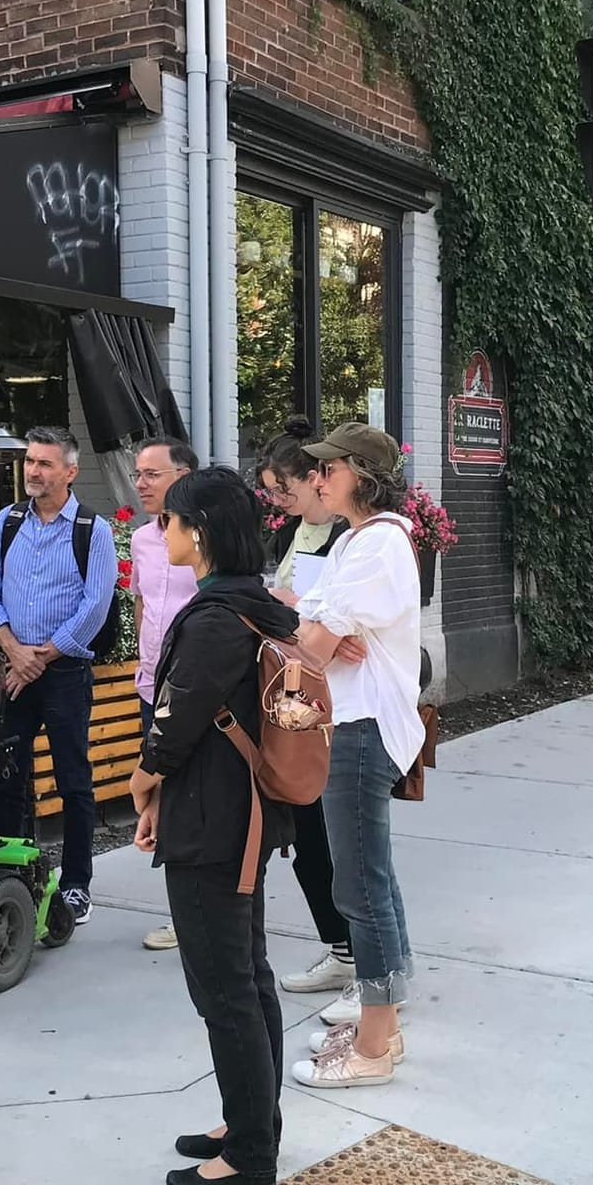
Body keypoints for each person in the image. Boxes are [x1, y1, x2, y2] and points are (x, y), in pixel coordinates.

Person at [127, 467, 298, 1185]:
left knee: (225, 988)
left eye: (168, 519)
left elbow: (176, 721)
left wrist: (144, 781)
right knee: (246, 976)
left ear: (197, 531)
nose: (160, 531)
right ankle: (249, 1119)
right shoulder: (253, 605)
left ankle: (251, 1155)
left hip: (210, 822)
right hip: (242, 815)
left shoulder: (212, 618)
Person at [288, 422, 423, 1089]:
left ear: (361, 475)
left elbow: (307, 644)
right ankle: (382, 1023)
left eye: (330, 468)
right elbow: (303, 625)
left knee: (360, 886)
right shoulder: (356, 541)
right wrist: (314, 633)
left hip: (363, 728)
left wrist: (316, 634)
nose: (318, 479)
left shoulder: (377, 547)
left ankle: (373, 1048)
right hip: (353, 723)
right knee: (372, 880)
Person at [0, 426, 117, 925]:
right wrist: (15, 650)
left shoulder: (92, 530)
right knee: (8, 774)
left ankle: (76, 884)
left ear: (70, 472)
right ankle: (15, 875)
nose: (33, 471)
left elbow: (94, 607)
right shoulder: (8, 521)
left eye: (45, 464)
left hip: (65, 672)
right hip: (13, 669)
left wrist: (44, 656)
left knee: (73, 780)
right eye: (30, 462)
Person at [257, 421, 355, 994]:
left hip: (329, 709)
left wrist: (291, 605)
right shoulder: (296, 533)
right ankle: (338, 946)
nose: (277, 500)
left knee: (326, 840)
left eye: (282, 488)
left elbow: (342, 630)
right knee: (307, 838)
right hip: (300, 702)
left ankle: (351, 953)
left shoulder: (348, 539)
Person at [130, 437, 201, 952]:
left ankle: (195, 910)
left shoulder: (202, 538)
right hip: (150, 686)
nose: (141, 484)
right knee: (158, 800)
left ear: (183, 475)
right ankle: (181, 907)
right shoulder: (140, 540)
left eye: (152, 474)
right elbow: (142, 605)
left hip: (193, 688)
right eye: (138, 474)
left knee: (189, 796)